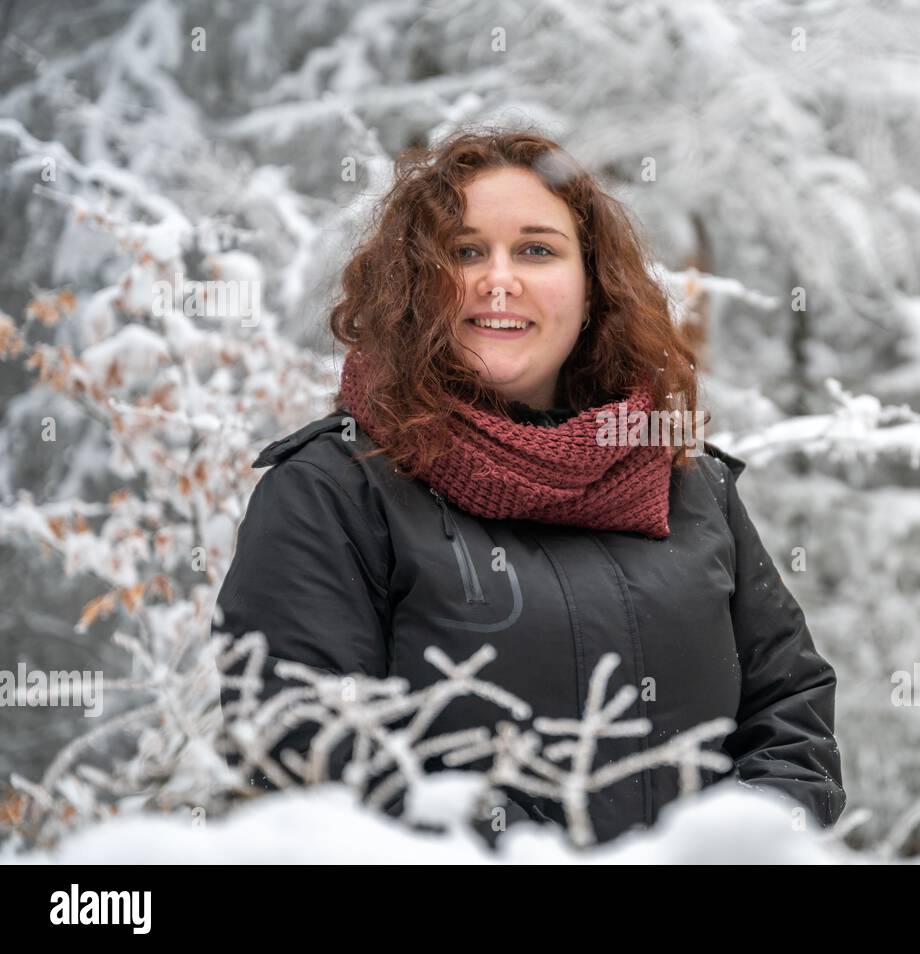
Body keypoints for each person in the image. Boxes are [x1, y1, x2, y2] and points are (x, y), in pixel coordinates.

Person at [211, 126, 846, 848]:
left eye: (537, 249)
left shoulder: (689, 483)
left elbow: (790, 714)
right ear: (414, 285)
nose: (499, 279)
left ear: (592, 284)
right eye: (465, 251)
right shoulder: (332, 492)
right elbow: (308, 754)